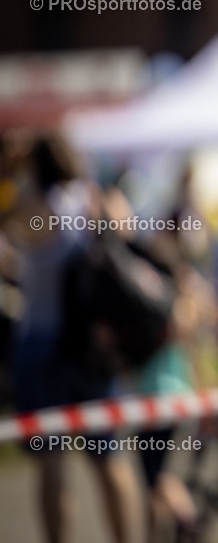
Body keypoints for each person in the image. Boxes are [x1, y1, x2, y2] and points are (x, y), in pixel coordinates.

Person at [0, 132, 139, 543]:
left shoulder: (32, 206)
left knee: (51, 460)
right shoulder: (94, 199)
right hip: (93, 346)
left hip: (41, 344)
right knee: (108, 456)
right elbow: (129, 237)